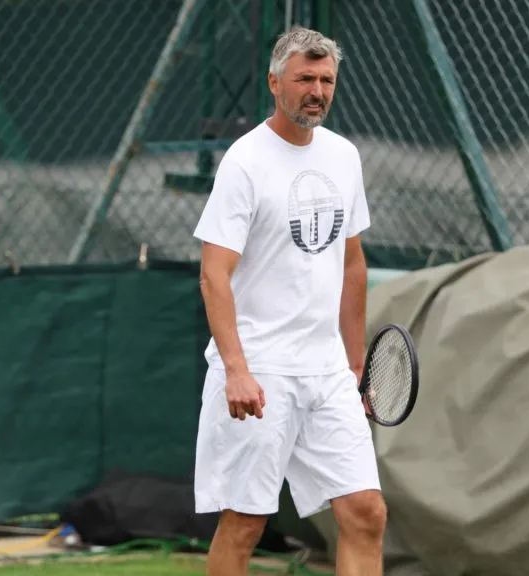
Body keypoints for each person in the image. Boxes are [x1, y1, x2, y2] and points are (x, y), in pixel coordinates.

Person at [191, 27, 386, 576]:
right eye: (305, 78)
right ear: (275, 82)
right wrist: (236, 369)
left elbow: (352, 265)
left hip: (326, 372)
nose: (317, 90)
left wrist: (353, 364)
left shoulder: (344, 157)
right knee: (246, 523)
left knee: (366, 512)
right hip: (260, 369)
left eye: (326, 80)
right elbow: (214, 274)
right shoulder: (244, 161)